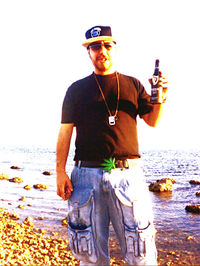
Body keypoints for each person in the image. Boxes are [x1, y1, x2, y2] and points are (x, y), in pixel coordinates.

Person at [56, 25, 168, 265]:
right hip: (85, 178)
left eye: (107, 45)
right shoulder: (76, 90)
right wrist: (59, 172)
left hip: (128, 177)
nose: (101, 50)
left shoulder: (133, 85)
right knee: (90, 257)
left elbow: (153, 121)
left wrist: (160, 97)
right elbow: (65, 132)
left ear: (114, 48)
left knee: (141, 255)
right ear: (88, 52)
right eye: (95, 46)